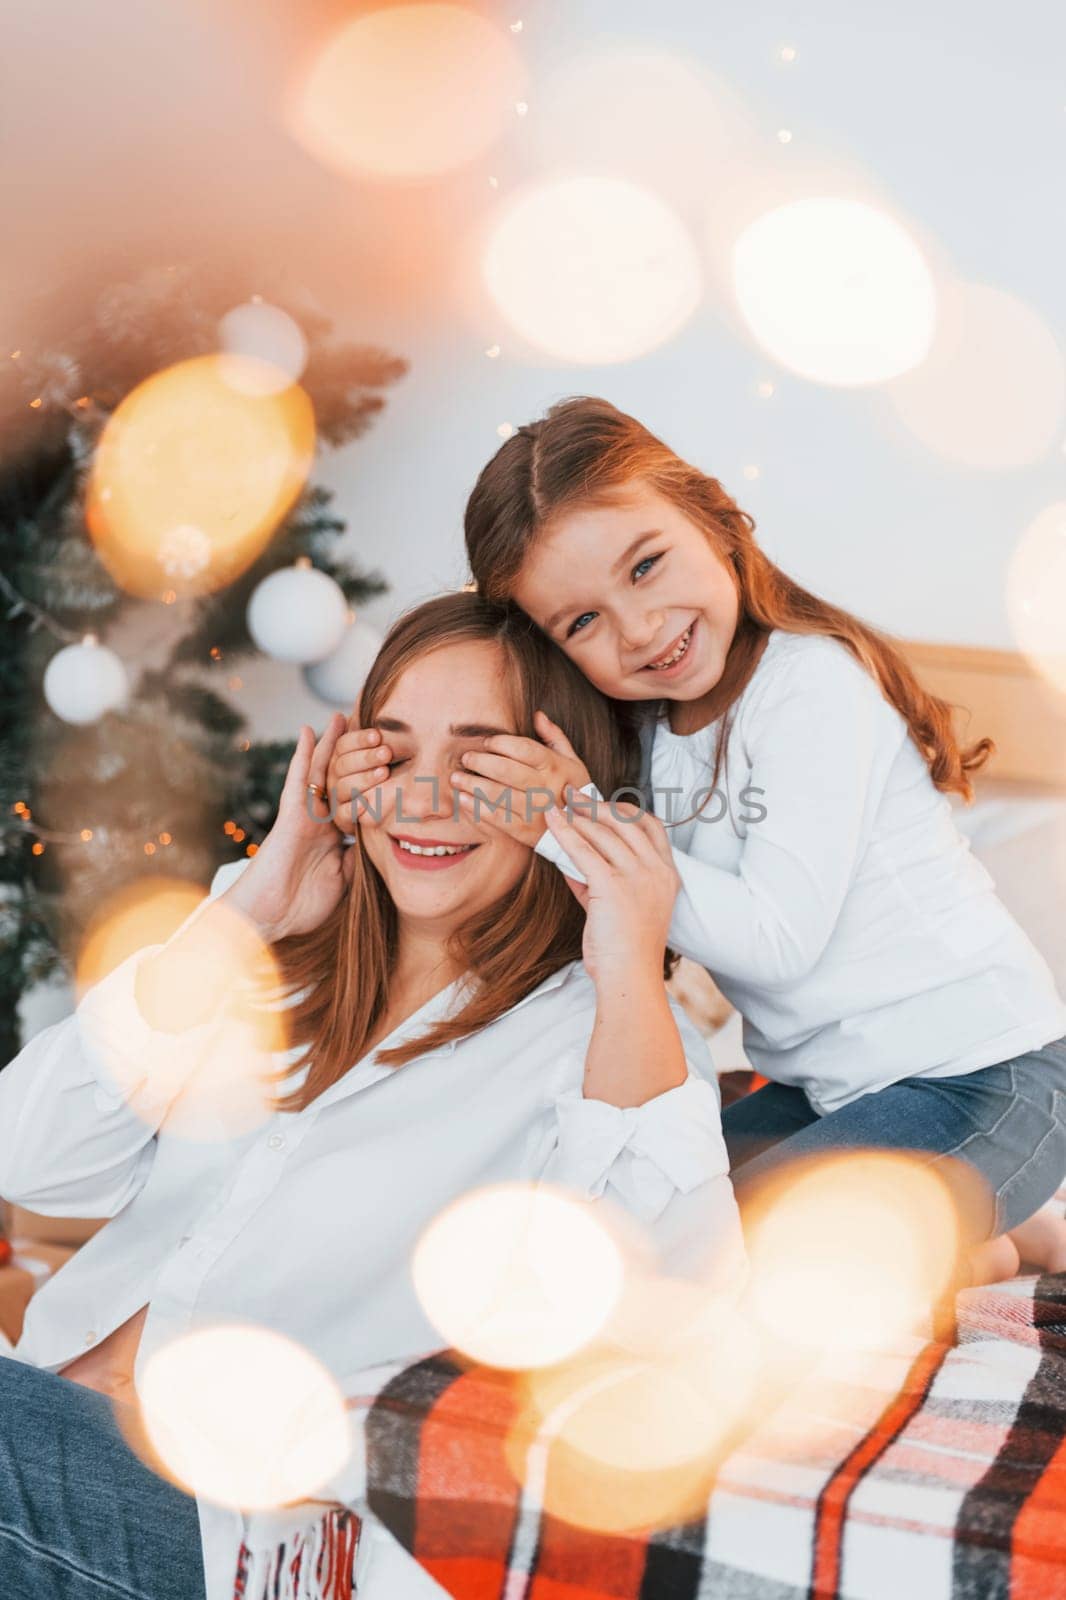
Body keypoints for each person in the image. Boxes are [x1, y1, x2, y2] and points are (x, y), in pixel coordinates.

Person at [0, 593, 741, 1600]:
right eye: (391, 752)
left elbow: (673, 1320)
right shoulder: (270, 938)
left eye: (483, 762)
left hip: (251, 1543)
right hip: (45, 1427)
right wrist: (256, 901)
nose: (423, 796)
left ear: (570, 791)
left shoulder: (605, 1040)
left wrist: (623, 945)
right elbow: (37, 1155)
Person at [330, 395, 1066, 1285]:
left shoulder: (811, 691)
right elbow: (501, 815)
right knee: (654, 1222)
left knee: (727, 1271)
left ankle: (1010, 1238)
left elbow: (776, 941)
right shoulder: (638, 732)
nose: (638, 630)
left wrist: (576, 821)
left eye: (645, 566)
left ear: (713, 518)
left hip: (990, 1078)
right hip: (826, 1091)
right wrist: (371, 787)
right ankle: (982, 1240)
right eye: (582, 622)